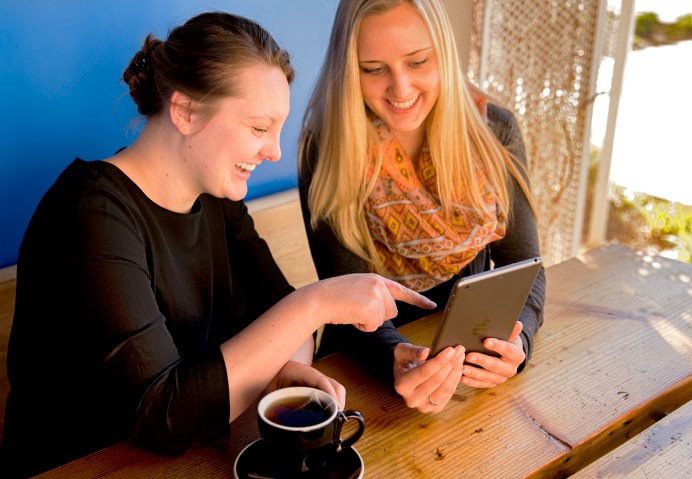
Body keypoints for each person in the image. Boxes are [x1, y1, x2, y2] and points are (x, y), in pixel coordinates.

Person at [0, 12, 435, 478]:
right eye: (259, 128)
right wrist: (316, 303)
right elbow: (163, 416)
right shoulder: (88, 215)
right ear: (186, 112)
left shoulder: (216, 198)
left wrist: (283, 370)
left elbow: (284, 317)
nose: (275, 153)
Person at [299, 0, 545, 414]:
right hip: (358, 369)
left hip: (471, 362)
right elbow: (343, 294)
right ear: (348, 71)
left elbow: (523, 266)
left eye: (417, 62)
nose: (401, 90)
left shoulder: (494, 131)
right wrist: (393, 357)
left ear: (443, 55)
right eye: (374, 69)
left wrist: (517, 344)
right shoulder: (325, 151)